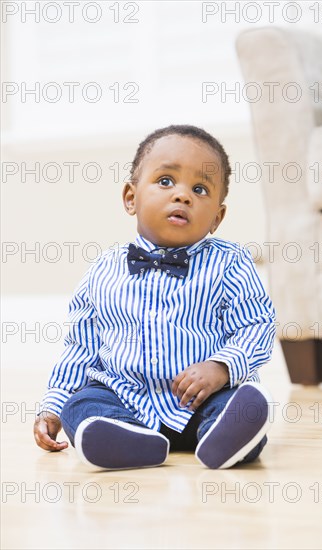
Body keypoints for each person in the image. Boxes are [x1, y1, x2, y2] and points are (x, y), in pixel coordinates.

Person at [33, 124, 276, 470]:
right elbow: (81, 348)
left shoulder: (230, 263)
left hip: (201, 401)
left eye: (200, 189)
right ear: (131, 198)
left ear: (217, 218)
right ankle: (125, 439)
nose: (182, 195)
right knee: (81, 404)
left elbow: (257, 325)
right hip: (126, 399)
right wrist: (53, 407)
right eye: (165, 181)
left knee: (240, 403)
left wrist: (221, 367)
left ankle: (223, 438)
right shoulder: (103, 270)